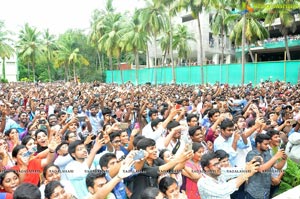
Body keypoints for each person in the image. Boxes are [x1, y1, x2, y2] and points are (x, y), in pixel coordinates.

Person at [245, 133, 287, 199]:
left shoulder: (267, 153)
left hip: (266, 190)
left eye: (268, 144)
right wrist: (275, 157)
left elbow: (278, 167)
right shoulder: (251, 154)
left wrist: (284, 159)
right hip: (254, 191)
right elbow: (261, 169)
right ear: (258, 144)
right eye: (265, 144)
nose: (268, 146)